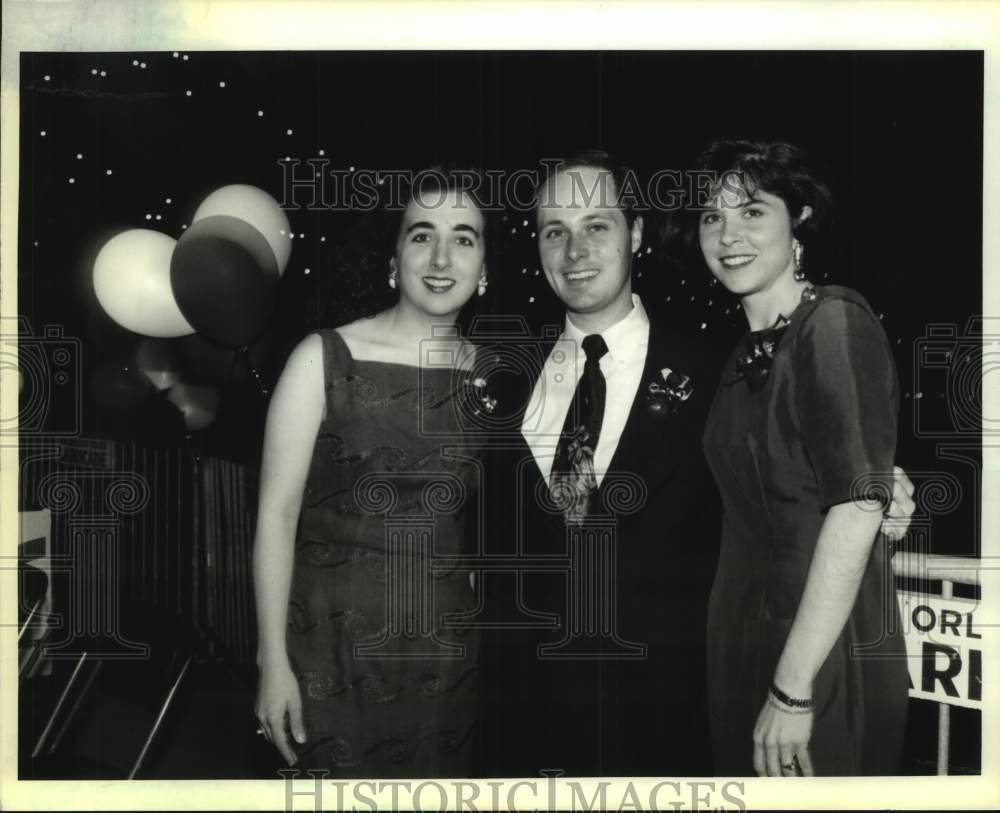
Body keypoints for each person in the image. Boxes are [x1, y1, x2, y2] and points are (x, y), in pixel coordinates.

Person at [476, 149, 915, 778]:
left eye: (597, 225)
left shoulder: (711, 368)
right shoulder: (498, 379)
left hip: (674, 725)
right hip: (530, 726)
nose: (575, 251)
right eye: (555, 231)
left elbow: (827, 462)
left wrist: (881, 488)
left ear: (636, 233)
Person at [252, 168, 490, 777]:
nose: (441, 256)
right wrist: (271, 660)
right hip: (327, 652)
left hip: (446, 660)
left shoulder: (499, 378)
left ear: (484, 270)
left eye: (464, 237)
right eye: (421, 235)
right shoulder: (321, 357)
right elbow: (275, 517)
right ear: (394, 260)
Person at [693, 140, 910, 776]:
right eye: (712, 217)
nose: (728, 234)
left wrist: (791, 687)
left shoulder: (833, 321)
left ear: (800, 222)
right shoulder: (741, 355)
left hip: (817, 654)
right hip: (741, 637)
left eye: (752, 211)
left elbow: (854, 506)